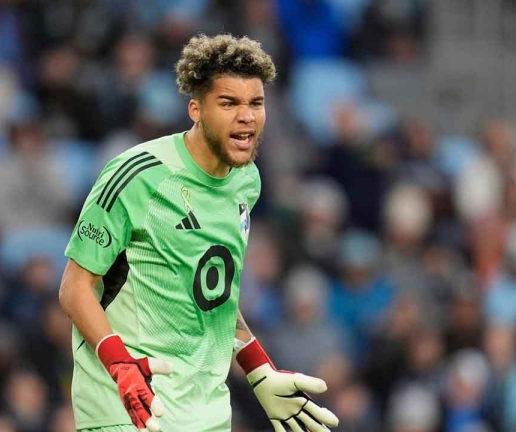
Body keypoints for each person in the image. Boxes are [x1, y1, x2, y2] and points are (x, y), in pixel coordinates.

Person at [58, 33, 340, 432]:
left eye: (255, 103)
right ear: (196, 109)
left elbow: (212, 295)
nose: (246, 116)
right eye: (228, 103)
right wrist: (120, 365)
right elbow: (74, 288)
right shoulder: (138, 175)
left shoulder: (246, 182)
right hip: (129, 409)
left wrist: (257, 367)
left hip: (207, 413)